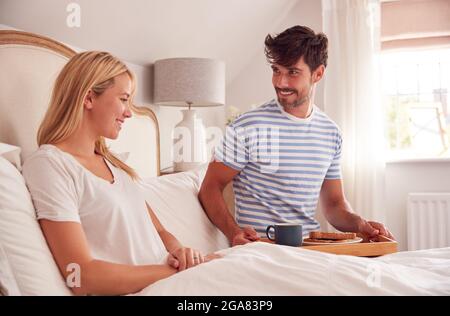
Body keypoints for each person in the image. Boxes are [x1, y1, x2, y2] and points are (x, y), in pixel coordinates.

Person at [22, 51, 218, 296]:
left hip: (174, 281)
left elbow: (158, 231)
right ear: (89, 98)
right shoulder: (51, 164)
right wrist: (176, 272)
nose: (128, 112)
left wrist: (180, 252)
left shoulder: (115, 167)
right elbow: (82, 275)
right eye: (124, 99)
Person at [198, 25, 395, 246]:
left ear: (318, 73)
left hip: (311, 249)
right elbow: (210, 188)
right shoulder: (247, 126)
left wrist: (360, 224)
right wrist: (233, 232)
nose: (281, 82)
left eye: (292, 72)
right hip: (261, 250)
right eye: (276, 70)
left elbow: (334, 204)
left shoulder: (331, 133)